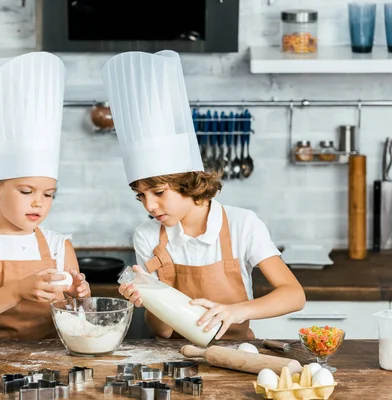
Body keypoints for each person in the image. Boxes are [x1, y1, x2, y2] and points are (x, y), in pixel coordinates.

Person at [102, 50, 305, 341]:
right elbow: (161, 331)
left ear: (187, 182)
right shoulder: (147, 236)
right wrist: (148, 298)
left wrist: (236, 311)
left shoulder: (242, 224)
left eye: (158, 192)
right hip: (174, 357)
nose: (149, 205)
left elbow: (294, 295)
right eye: (141, 196)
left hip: (236, 353)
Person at [0, 52, 91, 340]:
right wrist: (17, 291)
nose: (39, 202)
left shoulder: (58, 247)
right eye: (26, 191)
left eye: (49, 194)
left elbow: (80, 317)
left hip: (53, 361)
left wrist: (81, 297)